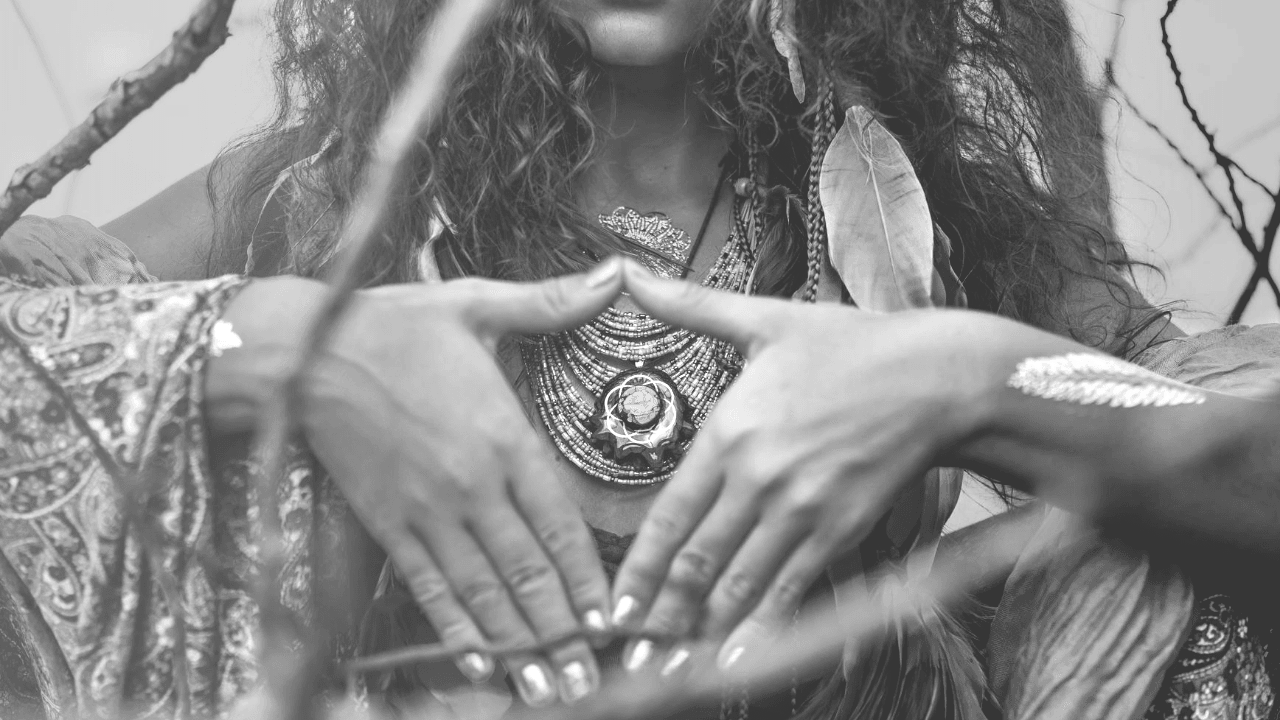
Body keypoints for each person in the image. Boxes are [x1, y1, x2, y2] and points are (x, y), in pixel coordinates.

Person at [1, 0, 1277, 718]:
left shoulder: (927, 197)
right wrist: (282, 347)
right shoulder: (315, 201)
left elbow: (1240, 454)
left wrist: (961, 379)